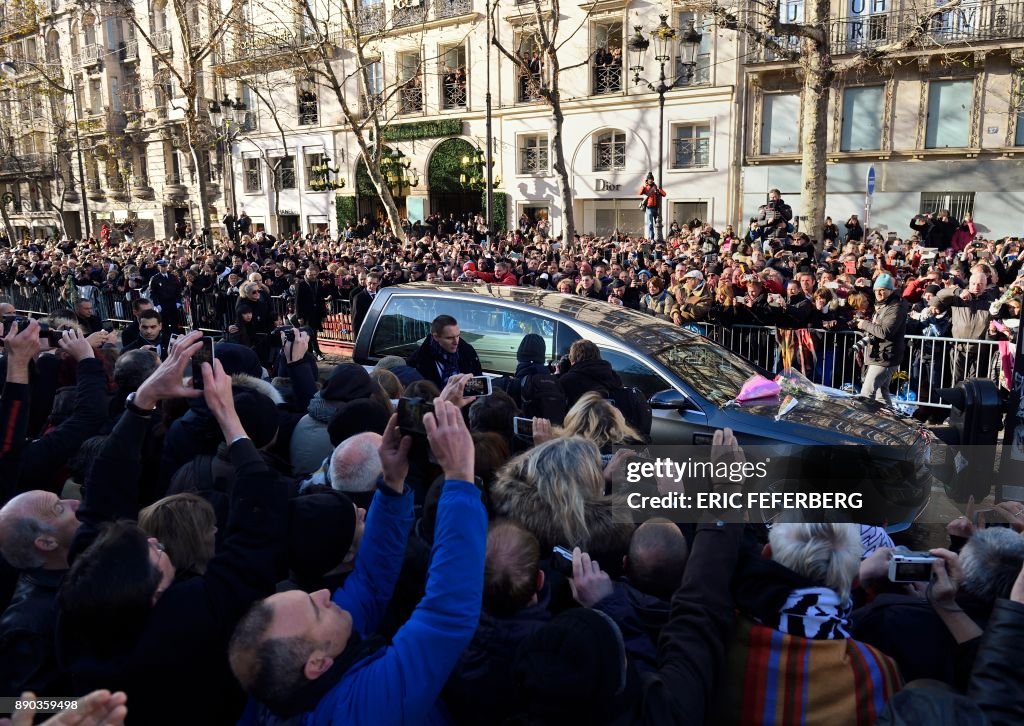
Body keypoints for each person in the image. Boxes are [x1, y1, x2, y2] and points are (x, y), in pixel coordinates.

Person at [56, 332, 289, 726]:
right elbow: (256, 533)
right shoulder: (188, 620)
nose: (153, 539)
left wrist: (143, 401)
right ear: (155, 596)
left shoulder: (81, 600)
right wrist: (229, 417)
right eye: (155, 551)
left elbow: (104, 494)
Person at [227, 401, 487, 724]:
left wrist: (391, 486)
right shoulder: (358, 712)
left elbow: (369, 582)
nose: (325, 595)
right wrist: (460, 479)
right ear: (317, 664)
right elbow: (446, 616)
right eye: (316, 608)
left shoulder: (291, 681)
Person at [855, 272, 907, 406]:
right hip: (881, 355)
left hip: (885, 357)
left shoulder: (895, 307)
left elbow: (885, 332)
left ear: (890, 290)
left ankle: (863, 423)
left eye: (883, 290)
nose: (879, 293)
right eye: (877, 290)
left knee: (866, 393)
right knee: (881, 395)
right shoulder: (884, 304)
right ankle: (893, 424)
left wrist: (864, 324)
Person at [407, 314, 483, 388]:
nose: (456, 342)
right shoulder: (418, 359)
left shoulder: (468, 353)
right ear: (436, 337)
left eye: (457, 336)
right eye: (449, 338)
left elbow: (479, 385)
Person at [295, 265, 328, 361]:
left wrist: (324, 314)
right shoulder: (300, 284)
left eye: (314, 275)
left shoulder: (318, 283)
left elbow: (321, 299)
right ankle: (316, 352)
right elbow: (297, 301)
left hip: (316, 313)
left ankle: (311, 353)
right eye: (310, 275)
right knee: (310, 333)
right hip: (306, 314)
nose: (313, 277)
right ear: (306, 274)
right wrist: (299, 316)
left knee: (313, 333)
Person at [147, 259, 183, 332]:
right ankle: (165, 340)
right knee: (164, 324)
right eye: (162, 266)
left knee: (175, 323)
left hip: (173, 303)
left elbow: (178, 290)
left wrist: (178, 301)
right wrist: (157, 304)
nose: (164, 268)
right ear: (158, 267)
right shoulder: (155, 278)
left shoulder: (172, 277)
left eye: (165, 266)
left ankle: (175, 338)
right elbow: (152, 293)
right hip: (162, 303)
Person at [351, 271, 380, 339]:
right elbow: (356, 319)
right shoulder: (358, 298)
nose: (371, 286)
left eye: (374, 283)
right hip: (365, 333)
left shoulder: (380, 295)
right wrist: (357, 338)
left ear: (378, 283)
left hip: (378, 333)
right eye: (369, 283)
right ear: (366, 282)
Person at [639, 173, 666, 241]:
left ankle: (658, 237)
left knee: (657, 223)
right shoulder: (645, 187)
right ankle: (651, 238)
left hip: (656, 208)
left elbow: (664, 194)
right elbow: (640, 192)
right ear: (647, 180)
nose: (650, 180)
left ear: (653, 180)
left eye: (651, 179)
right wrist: (644, 186)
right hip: (649, 208)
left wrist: (658, 190)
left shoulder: (655, 187)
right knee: (650, 224)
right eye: (649, 179)